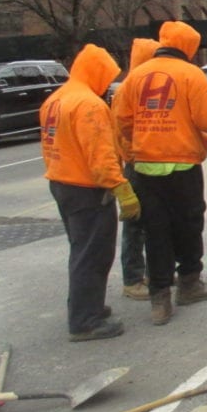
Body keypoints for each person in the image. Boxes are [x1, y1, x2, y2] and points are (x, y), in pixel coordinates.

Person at [112, 21, 207, 326]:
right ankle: (189, 284)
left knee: (155, 231)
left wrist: (137, 150)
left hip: (146, 168)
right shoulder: (190, 75)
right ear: (188, 47)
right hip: (183, 168)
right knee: (188, 224)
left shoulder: (136, 76)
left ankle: (159, 299)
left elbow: (121, 121)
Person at [40, 43, 140, 342]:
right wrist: (122, 189)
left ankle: (86, 306)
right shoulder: (89, 105)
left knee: (80, 249)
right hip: (87, 189)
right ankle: (85, 321)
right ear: (95, 72)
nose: (108, 83)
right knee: (93, 254)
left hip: (62, 184)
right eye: (106, 76)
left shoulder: (56, 99)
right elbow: (100, 155)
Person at [112, 38, 160, 301]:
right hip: (137, 165)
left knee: (155, 222)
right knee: (136, 225)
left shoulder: (144, 86)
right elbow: (123, 131)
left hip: (148, 162)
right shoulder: (130, 89)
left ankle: (155, 273)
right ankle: (133, 279)